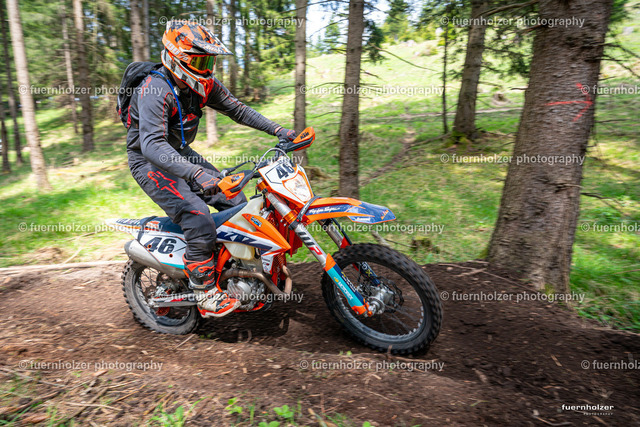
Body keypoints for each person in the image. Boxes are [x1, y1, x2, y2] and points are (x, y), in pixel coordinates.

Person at [125, 20, 296, 317]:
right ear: (176, 58)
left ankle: (236, 271)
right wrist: (196, 174)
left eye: (209, 62)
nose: (206, 68)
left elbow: (238, 109)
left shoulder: (203, 84)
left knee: (236, 200)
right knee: (197, 215)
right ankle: (204, 291)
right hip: (149, 161)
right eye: (200, 61)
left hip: (181, 153)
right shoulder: (154, 89)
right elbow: (152, 144)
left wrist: (279, 131)